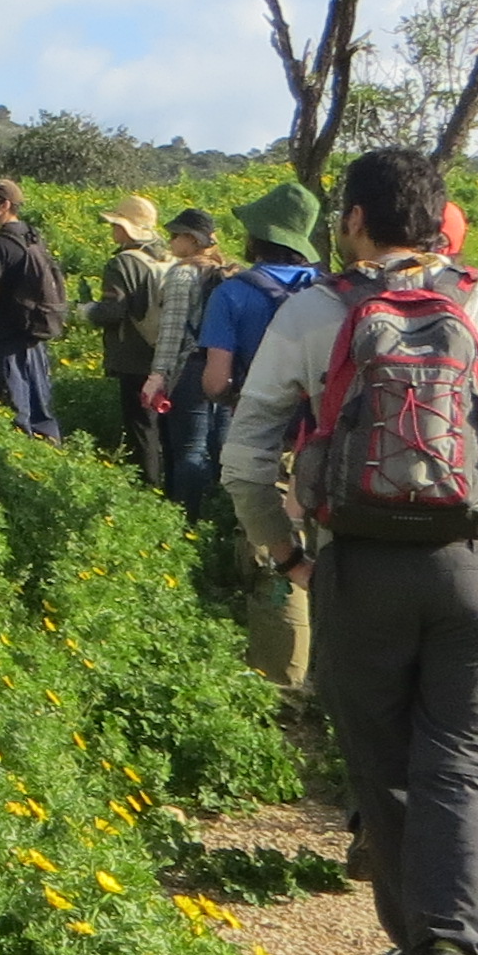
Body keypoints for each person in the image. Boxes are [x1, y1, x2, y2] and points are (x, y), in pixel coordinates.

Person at [219, 147, 478, 955]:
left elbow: (248, 452)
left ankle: (423, 950)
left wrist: (286, 550)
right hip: (473, 567)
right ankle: (456, 949)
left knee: (383, 762)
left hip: (357, 566)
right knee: (468, 759)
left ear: (355, 222)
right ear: (440, 216)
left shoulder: (317, 308)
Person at [193, 183, 332, 691]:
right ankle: (337, 672)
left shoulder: (233, 293)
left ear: (257, 236)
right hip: (330, 443)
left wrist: (239, 396)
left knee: (277, 549)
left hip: (268, 440)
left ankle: (283, 678)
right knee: (332, 549)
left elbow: (214, 382)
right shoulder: (331, 293)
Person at [0, 178, 67, 440]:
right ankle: (48, 453)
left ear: (4, 205)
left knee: (13, 411)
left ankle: (17, 460)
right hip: (34, 331)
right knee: (40, 410)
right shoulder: (31, 235)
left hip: (6, 337)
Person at [142, 206, 228, 509]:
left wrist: (158, 376)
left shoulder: (183, 274)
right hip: (227, 367)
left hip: (192, 368)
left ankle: (184, 516)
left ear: (192, 240)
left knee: (189, 449)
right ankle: (216, 515)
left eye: (176, 235)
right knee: (219, 446)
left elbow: (172, 332)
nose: (171, 240)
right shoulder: (228, 270)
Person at [94, 196, 169, 487]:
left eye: (115, 224)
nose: (112, 229)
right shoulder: (167, 258)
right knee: (165, 429)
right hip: (168, 354)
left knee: (142, 429)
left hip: (134, 358)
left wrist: (85, 312)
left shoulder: (121, 264)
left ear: (125, 229)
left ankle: (147, 489)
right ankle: (171, 490)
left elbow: (113, 311)